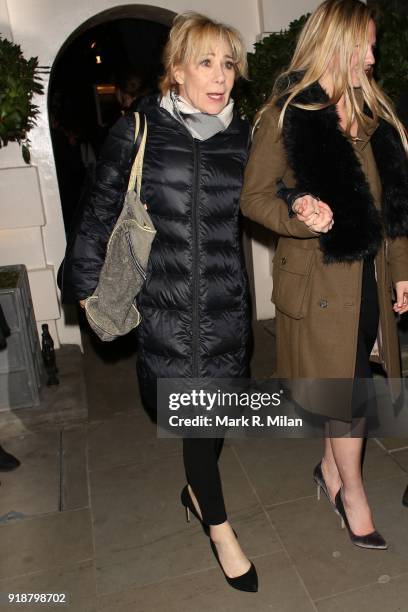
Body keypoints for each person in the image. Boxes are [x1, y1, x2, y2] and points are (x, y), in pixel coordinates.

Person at [61, 13, 257, 592]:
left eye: (227, 64)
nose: (219, 76)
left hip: (224, 301)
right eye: (206, 62)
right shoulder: (140, 129)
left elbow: (272, 190)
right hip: (164, 303)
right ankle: (220, 528)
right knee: (194, 421)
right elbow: (98, 212)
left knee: (214, 419)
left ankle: (197, 491)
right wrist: (88, 286)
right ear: (176, 70)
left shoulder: (241, 134)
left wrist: (300, 200)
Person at [241, 0, 408, 550]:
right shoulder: (286, 115)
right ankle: (352, 496)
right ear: (335, 43)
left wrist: (402, 271)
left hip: (367, 281)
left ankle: (329, 469)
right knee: (349, 394)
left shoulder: (375, 121)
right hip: (317, 286)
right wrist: (299, 215)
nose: (371, 54)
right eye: (364, 42)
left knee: (350, 382)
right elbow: (254, 199)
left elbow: (395, 208)